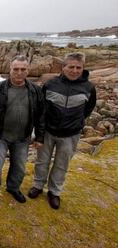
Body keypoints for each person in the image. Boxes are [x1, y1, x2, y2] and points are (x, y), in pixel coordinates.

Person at [28, 52, 96, 209]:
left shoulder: (88, 88)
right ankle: (38, 185)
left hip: (70, 135)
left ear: (83, 68)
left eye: (78, 67)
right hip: (48, 131)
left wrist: (76, 122)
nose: (74, 70)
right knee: (42, 161)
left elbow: (88, 108)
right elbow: (42, 109)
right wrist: (39, 131)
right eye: (71, 67)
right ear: (63, 67)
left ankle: (54, 192)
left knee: (61, 164)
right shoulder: (51, 84)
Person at [0, 55, 45, 205]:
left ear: (28, 70)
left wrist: (40, 137)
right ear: (10, 70)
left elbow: (41, 115)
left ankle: (13, 188)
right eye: (16, 69)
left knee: (19, 167)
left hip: (23, 137)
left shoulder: (35, 91)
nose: (19, 72)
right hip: (0, 136)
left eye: (23, 69)